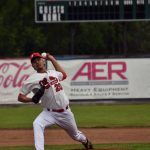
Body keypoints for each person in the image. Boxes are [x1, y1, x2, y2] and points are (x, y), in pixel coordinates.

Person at [18, 52, 93, 150]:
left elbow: (64, 75)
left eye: (38, 60)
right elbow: (20, 97)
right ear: (32, 66)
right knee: (37, 123)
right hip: (48, 113)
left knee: (76, 136)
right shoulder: (31, 80)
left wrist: (52, 59)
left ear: (43, 61)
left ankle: (85, 141)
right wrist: (31, 99)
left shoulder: (53, 73)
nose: (37, 62)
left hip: (65, 112)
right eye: (34, 62)